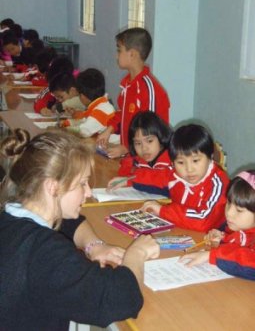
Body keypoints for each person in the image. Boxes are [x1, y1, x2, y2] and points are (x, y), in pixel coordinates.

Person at [0, 128, 160, 330]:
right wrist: (137, 253)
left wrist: (95, 246)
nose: (88, 192)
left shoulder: (12, 216)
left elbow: (68, 223)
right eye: (82, 183)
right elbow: (123, 299)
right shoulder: (45, 253)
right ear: (53, 187)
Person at [97, 27, 170, 158]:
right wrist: (109, 130)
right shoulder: (127, 84)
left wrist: (126, 149)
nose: (116, 55)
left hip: (149, 162)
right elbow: (122, 113)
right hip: (132, 157)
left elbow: (152, 133)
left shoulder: (148, 89)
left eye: (119, 50)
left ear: (132, 54)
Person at [142, 124, 229, 232]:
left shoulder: (218, 184)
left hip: (213, 238)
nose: (189, 169)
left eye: (196, 161)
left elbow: (204, 221)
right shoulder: (175, 173)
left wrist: (163, 211)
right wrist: (128, 180)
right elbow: (154, 177)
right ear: (173, 162)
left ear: (210, 157)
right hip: (182, 230)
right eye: (181, 162)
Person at [181, 170, 255, 280]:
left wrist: (212, 255)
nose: (229, 212)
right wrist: (223, 238)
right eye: (229, 203)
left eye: (239, 210)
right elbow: (242, 242)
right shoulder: (241, 227)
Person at [107, 111, 173, 196]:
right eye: (138, 143)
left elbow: (163, 179)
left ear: (161, 137)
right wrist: (129, 175)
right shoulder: (140, 160)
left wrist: (132, 178)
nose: (144, 148)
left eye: (149, 141)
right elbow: (124, 172)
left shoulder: (172, 158)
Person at [61, 68, 116, 138]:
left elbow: (82, 132)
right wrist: (69, 122)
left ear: (83, 96)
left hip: (109, 146)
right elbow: (84, 120)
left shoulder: (101, 110)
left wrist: (63, 129)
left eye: (79, 95)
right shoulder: (101, 105)